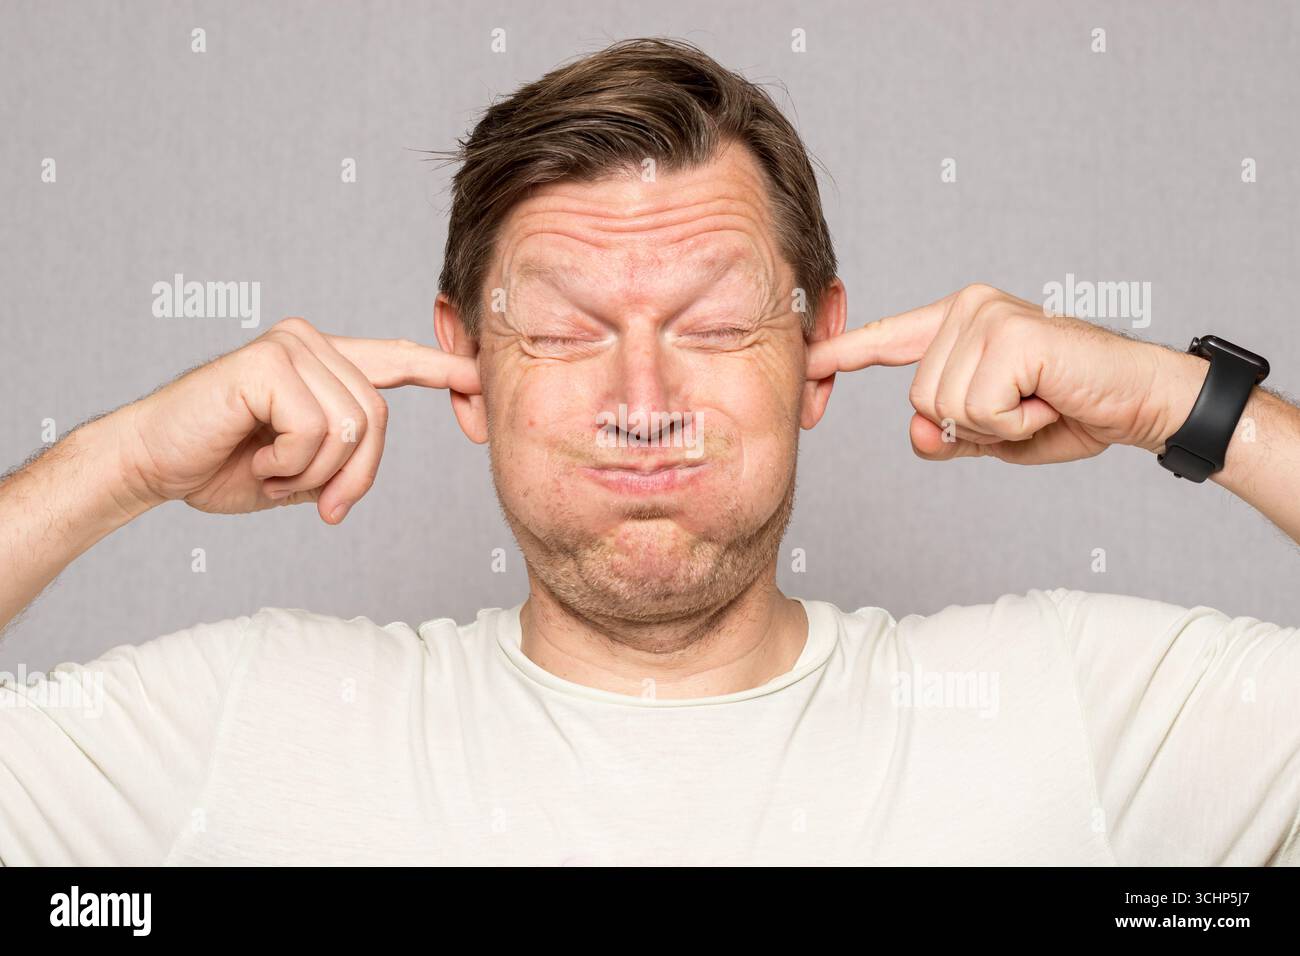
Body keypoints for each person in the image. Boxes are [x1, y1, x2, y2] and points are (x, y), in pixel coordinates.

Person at [1, 38, 1296, 866]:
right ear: (465, 365)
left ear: (817, 349)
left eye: (719, 323)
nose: (643, 395)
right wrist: (121, 464)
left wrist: (1184, 405)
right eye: (564, 331)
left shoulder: (1079, 708)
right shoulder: (243, 725)